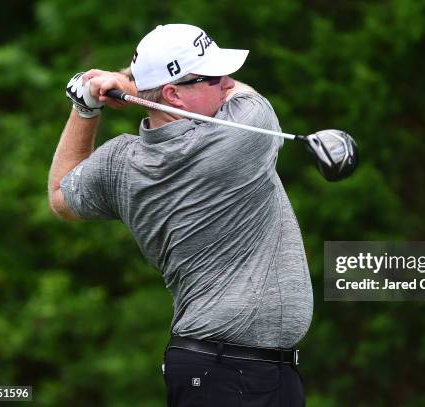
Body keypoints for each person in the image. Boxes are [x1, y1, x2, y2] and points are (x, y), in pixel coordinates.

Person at [48, 24, 313, 406]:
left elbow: (60, 196)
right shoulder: (242, 132)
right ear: (174, 94)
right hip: (230, 373)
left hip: (219, 368)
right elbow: (247, 92)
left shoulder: (121, 163)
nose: (227, 84)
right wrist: (130, 85)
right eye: (213, 78)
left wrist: (86, 107)